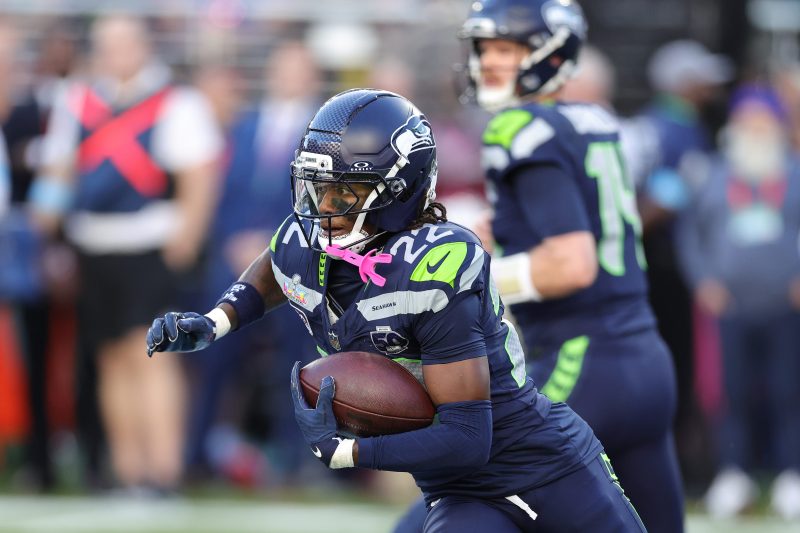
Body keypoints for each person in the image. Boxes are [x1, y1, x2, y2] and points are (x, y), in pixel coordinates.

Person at [147, 88, 645, 532]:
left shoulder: (436, 263)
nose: (323, 208)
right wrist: (216, 322)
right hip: (459, 489)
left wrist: (349, 452)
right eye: (317, 188)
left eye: (344, 192)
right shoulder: (306, 239)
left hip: (544, 466)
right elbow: (276, 266)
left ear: (398, 189)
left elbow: (468, 436)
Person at [449, 1, 684, 532]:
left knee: (456, 500)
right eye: (484, 48)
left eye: (506, 48)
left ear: (552, 54)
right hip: (645, 359)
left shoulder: (517, 127)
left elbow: (571, 266)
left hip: (581, 356)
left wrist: (473, 279)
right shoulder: (594, 119)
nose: (488, 61)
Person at [30, 14, 223, 492]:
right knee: (111, 357)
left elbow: (200, 174)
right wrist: (44, 226)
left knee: (151, 353)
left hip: (148, 244)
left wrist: (186, 240)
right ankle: (129, 470)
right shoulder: (78, 100)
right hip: (94, 245)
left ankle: (164, 470)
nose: (114, 54)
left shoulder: (175, 101)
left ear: (143, 46)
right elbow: (59, 169)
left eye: (122, 44)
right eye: (106, 45)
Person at [677, 85, 800, 520]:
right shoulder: (713, 174)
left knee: (789, 389)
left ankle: (790, 473)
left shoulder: (794, 172)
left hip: (786, 303)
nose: (754, 130)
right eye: (746, 121)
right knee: (730, 391)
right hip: (728, 304)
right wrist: (703, 281)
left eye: (762, 121)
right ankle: (733, 472)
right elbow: (690, 234)